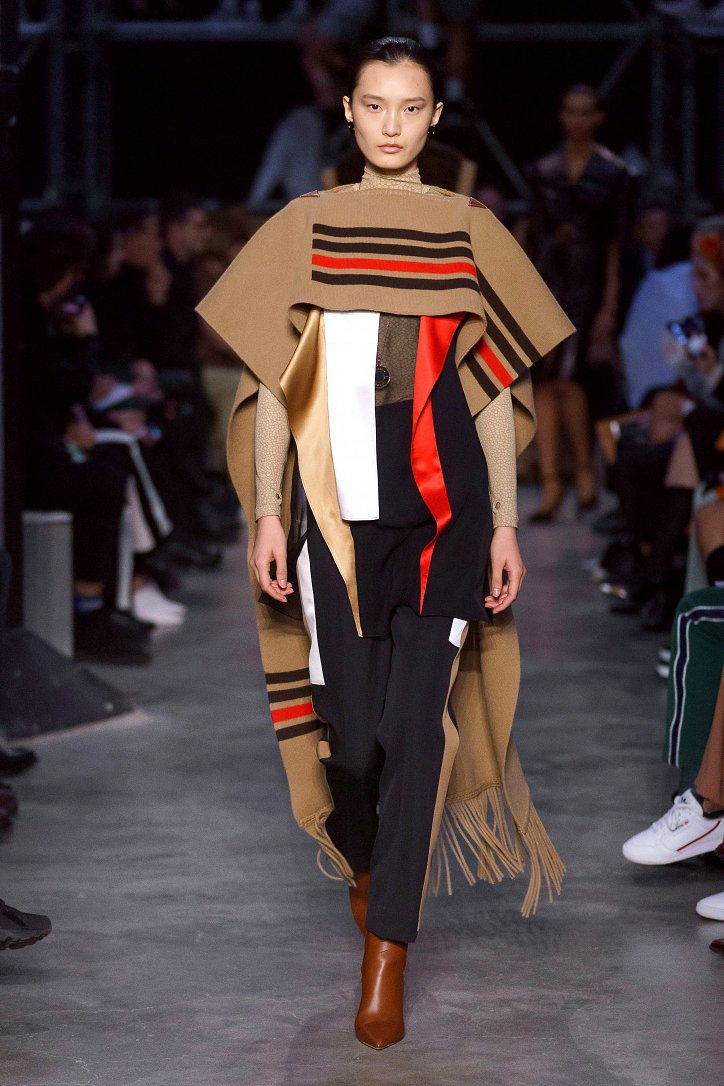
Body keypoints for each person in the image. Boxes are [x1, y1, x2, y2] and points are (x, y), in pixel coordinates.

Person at [197, 37, 572, 1049]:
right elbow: (275, 381)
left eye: (411, 107)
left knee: (415, 733)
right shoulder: (306, 227)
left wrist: (504, 522)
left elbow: (489, 390)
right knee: (355, 742)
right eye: (375, 105)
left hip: (444, 514)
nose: (393, 124)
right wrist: (267, 510)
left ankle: (387, 953)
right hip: (334, 510)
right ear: (350, 114)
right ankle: (367, 864)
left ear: (435, 117)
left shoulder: (466, 232)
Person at [517, 84, 633, 520]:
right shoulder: (542, 170)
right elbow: (532, 236)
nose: (578, 120)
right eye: (571, 111)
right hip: (548, 280)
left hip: (589, 284)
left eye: (586, 112)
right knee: (547, 380)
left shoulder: (613, 174)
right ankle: (557, 479)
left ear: (598, 117)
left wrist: (609, 306)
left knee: (572, 378)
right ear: (561, 115)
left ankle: (581, 472)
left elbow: (616, 246)